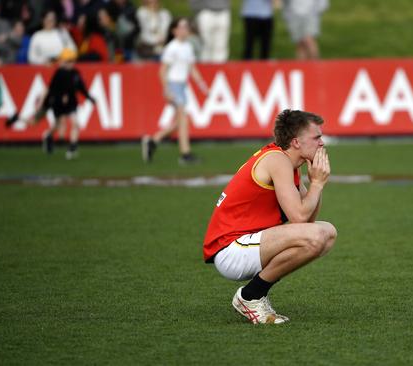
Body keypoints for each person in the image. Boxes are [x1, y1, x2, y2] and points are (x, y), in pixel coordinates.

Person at [203, 109, 337, 324]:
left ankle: (254, 294)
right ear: (295, 142)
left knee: (327, 233)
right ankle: (250, 296)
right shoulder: (277, 160)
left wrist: (316, 185)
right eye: (316, 137)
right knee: (318, 235)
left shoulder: (287, 162)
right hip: (231, 249)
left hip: (246, 244)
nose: (322, 143)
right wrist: (317, 184)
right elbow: (300, 219)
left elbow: (308, 220)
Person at [142, 17, 208, 165]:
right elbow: (162, 71)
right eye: (182, 27)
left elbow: (192, 69)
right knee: (183, 120)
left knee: (181, 121)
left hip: (182, 86)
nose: (185, 30)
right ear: (174, 31)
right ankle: (185, 154)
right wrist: (167, 89)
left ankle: (153, 140)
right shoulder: (172, 47)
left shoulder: (188, 47)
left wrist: (202, 86)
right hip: (174, 85)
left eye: (186, 27)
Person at [6, 48, 95, 159]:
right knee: (36, 122)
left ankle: (72, 147)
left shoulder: (75, 73)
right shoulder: (60, 73)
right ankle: (21, 119)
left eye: (72, 60)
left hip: (70, 103)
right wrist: (42, 102)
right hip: (54, 102)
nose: (70, 63)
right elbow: (49, 88)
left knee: (74, 123)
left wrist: (89, 97)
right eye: (68, 61)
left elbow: (81, 87)